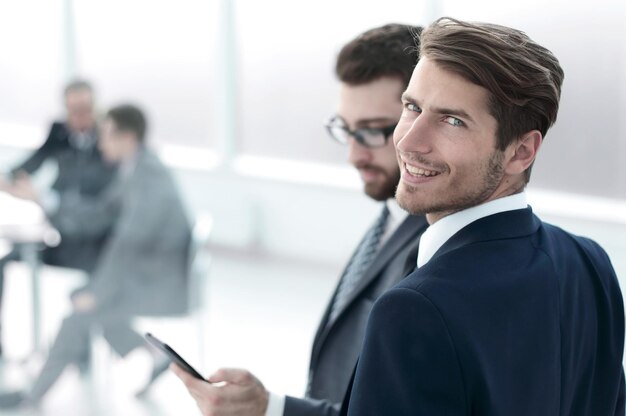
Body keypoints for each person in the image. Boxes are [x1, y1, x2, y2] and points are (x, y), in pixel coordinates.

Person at [340, 17, 625, 416]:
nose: (408, 140)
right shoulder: (590, 262)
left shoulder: (414, 308)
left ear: (521, 152)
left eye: (452, 120)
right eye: (412, 107)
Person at [171, 24, 428, 416]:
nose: (354, 156)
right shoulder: (390, 217)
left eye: (375, 132)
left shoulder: (436, 245)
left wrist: (271, 409)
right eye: (347, 130)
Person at [0, 104, 192, 408]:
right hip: (147, 269)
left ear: (127, 137)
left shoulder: (148, 177)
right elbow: (100, 213)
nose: (100, 142)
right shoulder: (136, 168)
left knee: (79, 315)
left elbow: (128, 243)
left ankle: (31, 396)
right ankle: (152, 355)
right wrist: (41, 197)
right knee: (88, 301)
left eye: (106, 135)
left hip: (157, 280)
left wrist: (98, 292)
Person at [0, 80, 116, 354]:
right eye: (73, 111)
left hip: (89, 238)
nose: (80, 117)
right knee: (5, 260)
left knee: (89, 286)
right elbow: (31, 164)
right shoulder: (59, 132)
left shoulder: (109, 139)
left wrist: (44, 199)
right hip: (56, 230)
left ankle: (81, 351)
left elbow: (102, 204)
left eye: (86, 109)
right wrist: (8, 179)